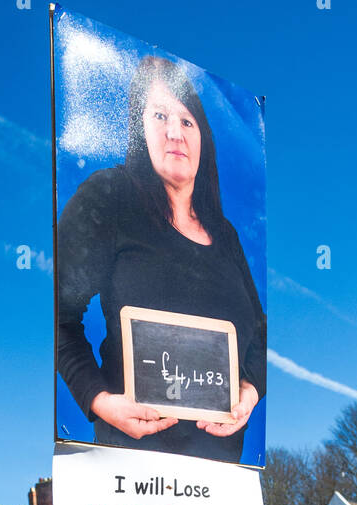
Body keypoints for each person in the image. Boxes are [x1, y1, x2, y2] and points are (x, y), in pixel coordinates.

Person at [57, 55, 266, 462]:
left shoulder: (226, 236)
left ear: (203, 136)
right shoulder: (109, 197)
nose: (175, 132)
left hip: (221, 487)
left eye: (187, 121)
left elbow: (259, 333)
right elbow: (57, 316)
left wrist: (250, 390)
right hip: (130, 474)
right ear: (139, 129)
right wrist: (100, 401)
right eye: (159, 116)